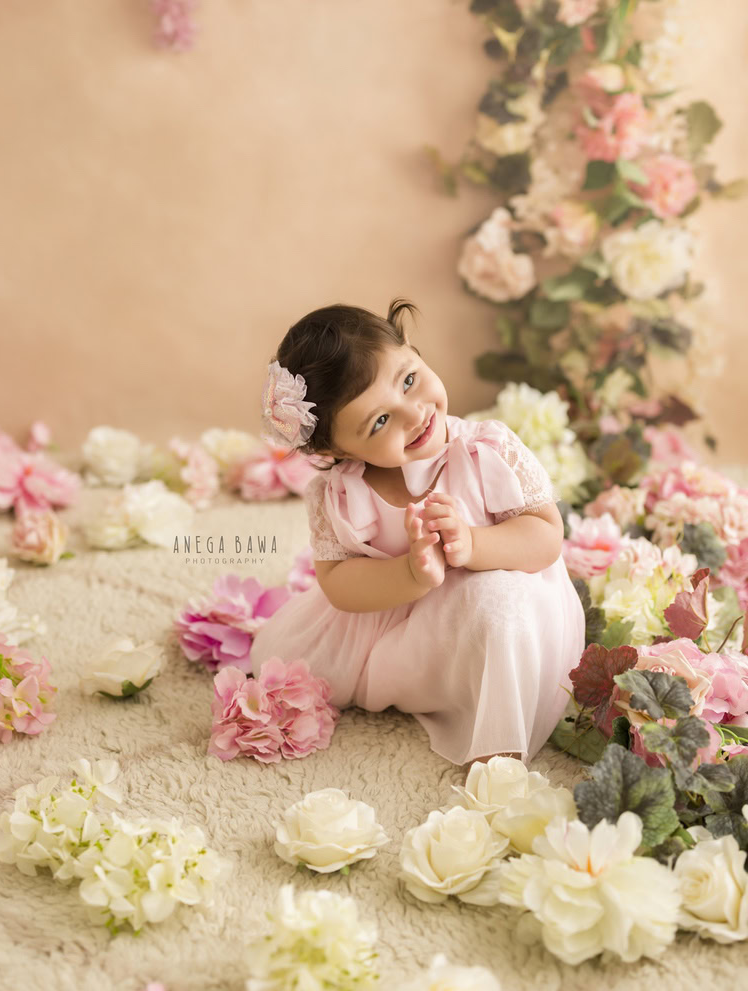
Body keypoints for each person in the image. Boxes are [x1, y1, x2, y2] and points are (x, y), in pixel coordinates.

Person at [249, 297, 586, 768]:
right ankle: (417, 687)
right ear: (334, 448)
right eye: (380, 422)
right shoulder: (340, 493)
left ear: (412, 347)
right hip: (397, 620)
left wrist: (473, 543)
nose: (414, 414)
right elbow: (340, 584)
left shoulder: (485, 451)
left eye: (408, 380)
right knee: (284, 663)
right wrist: (408, 574)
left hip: (488, 613)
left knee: (498, 604)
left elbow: (546, 537)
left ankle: (494, 735)